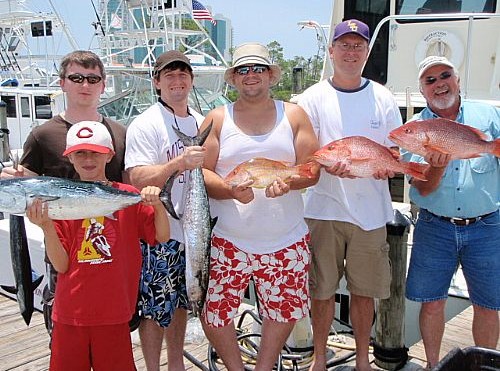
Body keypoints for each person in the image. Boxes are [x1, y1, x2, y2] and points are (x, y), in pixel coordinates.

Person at [198, 42, 320, 370]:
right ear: (233, 79)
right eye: (242, 70)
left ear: (270, 75)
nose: (250, 75)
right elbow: (200, 173)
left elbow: (311, 170)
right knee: (214, 312)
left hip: (286, 239)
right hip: (227, 239)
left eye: (257, 69)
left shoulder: (293, 115)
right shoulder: (217, 118)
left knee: (284, 312)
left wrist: (290, 182)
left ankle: (265, 367)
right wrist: (228, 190)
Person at [297, 19, 403, 371]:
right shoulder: (312, 98)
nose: (351, 51)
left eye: (358, 45)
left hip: (371, 213)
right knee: (321, 290)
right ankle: (319, 358)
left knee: (364, 291)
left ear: (367, 52)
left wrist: (390, 167)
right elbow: (307, 154)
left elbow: (392, 154)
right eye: (344, 44)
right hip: (323, 209)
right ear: (331, 51)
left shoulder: (383, 97)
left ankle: (362, 360)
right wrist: (324, 164)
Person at [0, 50, 126, 337]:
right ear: (62, 83)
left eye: (93, 79)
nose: (85, 85)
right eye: (77, 78)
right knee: (62, 322)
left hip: (108, 246)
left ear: (103, 85)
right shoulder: (43, 134)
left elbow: (126, 185)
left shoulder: (119, 132)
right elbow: (28, 183)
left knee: (113, 322)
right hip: (61, 244)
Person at [25, 120, 170, 371]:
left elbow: (162, 236)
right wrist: (47, 226)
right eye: (80, 152)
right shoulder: (59, 203)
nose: (88, 159)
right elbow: (61, 264)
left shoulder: (127, 195)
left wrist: (157, 204)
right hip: (70, 312)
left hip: (115, 312)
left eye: (96, 151)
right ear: (69, 158)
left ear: (110, 155)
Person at [403, 56, 499, 369]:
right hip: (435, 226)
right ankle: (432, 365)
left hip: (487, 226)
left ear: (457, 80)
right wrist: (436, 167)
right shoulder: (414, 130)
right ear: (422, 89)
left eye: (445, 75)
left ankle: (484, 365)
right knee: (432, 303)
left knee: (487, 305)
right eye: (430, 80)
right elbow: (424, 190)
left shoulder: (488, 115)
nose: (439, 83)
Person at [125, 50, 206, 371]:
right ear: (156, 82)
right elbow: (138, 176)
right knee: (155, 307)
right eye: (169, 75)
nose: (177, 80)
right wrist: (179, 162)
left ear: (191, 79)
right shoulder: (145, 124)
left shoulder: (203, 122)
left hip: (195, 232)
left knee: (183, 301)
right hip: (159, 234)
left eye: (183, 73)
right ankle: (153, 368)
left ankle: (176, 365)